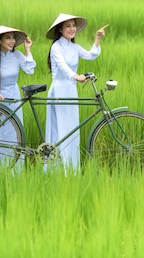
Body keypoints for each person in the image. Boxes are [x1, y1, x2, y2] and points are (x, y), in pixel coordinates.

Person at [45, 13, 108, 171]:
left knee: (72, 129)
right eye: (68, 26)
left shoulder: (74, 47)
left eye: (73, 25)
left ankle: (71, 168)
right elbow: (62, 66)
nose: (72, 29)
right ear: (60, 29)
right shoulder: (56, 47)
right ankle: (57, 168)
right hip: (59, 90)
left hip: (71, 90)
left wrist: (98, 39)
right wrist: (75, 76)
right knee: (61, 128)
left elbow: (90, 55)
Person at [0, 25, 36, 174]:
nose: (12, 41)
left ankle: (13, 172)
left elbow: (30, 70)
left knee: (14, 135)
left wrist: (28, 49)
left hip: (13, 98)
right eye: (8, 38)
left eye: (13, 38)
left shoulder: (16, 55)